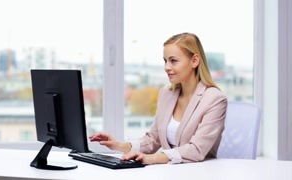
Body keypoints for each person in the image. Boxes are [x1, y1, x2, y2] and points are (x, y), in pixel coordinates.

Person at [89, 32, 228, 165]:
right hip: (169, 172)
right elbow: (153, 139)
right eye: (165, 61)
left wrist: (152, 159)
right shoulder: (166, 94)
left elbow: (196, 150)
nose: (167, 67)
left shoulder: (215, 99)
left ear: (195, 60)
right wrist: (119, 145)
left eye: (173, 61)